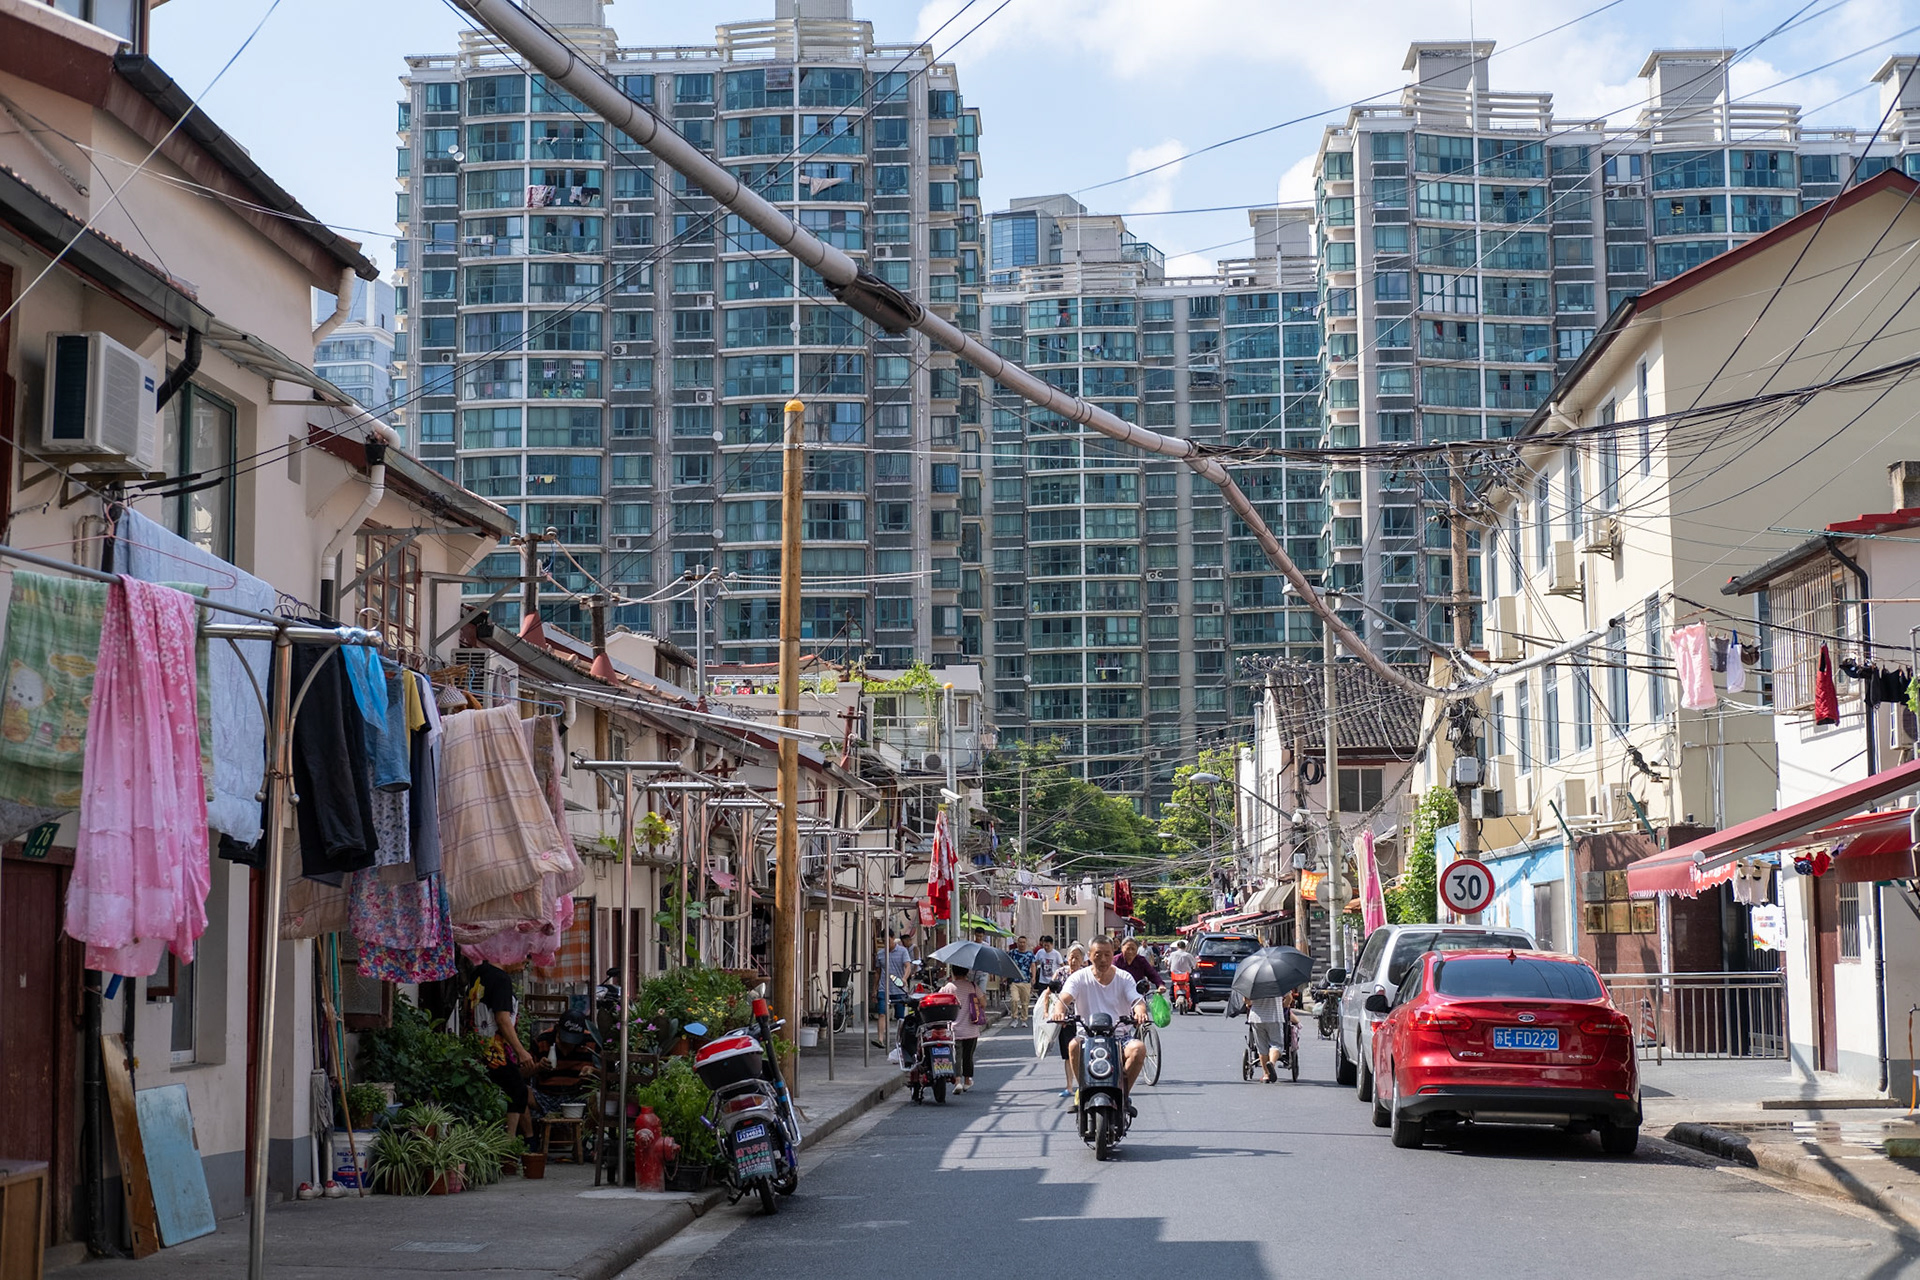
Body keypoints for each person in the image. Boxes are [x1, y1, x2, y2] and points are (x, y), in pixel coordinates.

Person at [1054, 936, 1150, 1105]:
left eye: (1107, 954)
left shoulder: (1124, 977)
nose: (1103, 959)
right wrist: (1059, 1012)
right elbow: (1064, 998)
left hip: (1119, 1037)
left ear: (1113, 954)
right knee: (1073, 1045)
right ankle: (1082, 1089)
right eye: (1098, 954)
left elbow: (1137, 1001)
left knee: (1138, 1049)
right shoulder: (1078, 977)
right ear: (1089, 956)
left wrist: (1140, 1012)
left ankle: (1122, 1093)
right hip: (1087, 1036)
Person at [470, 960, 535, 1143]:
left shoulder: (479, 973)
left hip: (477, 1045)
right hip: (495, 1049)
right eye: (525, 955)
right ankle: (508, 1143)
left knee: (498, 1092)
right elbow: (502, 1019)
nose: (525, 963)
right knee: (517, 1090)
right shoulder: (501, 979)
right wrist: (521, 1051)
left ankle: (503, 1141)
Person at [530, 1011, 600, 1099]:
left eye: (573, 1041)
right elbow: (522, 1071)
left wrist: (593, 1071)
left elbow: (608, 1075)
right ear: (558, 1028)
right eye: (565, 1040)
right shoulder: (543, 1040)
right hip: (546, 1095)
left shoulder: (592, 1041)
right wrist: (538, 1067)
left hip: (579, 1096)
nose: (569, 1045)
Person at [942, 964, 987, 1092]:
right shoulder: (973, 986)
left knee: (956, 1056)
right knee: (968, 1056)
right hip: (971, 1029)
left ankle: (957, 1081)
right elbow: (983, 1003)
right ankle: (967, 1080)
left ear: (953, 972)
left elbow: (939, 999)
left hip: (954, 1029)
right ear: (967, 973)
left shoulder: (949, 987)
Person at [1243, 987, 1301, 1083]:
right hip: (1274, 1017)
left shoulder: (1253, 984)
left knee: (1261, 1047)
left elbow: (1247, 1001)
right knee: (1276, 1044)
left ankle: (1266, 1075)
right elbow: (1289, 998)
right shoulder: (1278, 983)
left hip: (1257, 1018)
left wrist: (1251, 1003)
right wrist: (1281, 1006)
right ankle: (1272, 1062)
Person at [1053, 943, 1087, 1097]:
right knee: (1068, 1054)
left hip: (1083, 1019)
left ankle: (1085, 1084)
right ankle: (1069, 1086)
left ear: (1083, 960)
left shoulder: (1086, 974)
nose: (1073, 961)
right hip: (1065, 1019)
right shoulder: (1060, 973)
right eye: (1071, 957)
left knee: (1085, 1052)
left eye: (1077, 958)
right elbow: (1051, 991)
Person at [1006, 935, 1035, 1025]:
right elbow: (1007, 963)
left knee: (1025, 1002)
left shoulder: (1030, 954)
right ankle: (1014, 1017)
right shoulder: (1012, 953)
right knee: (1014, 999)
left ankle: (1024, 1019)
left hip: (1026, 981)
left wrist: (1034, 977)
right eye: (1020, 942)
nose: (1022, 944)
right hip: (1014, 981)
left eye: (1023, 942)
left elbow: (1033, 965)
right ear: (1017, 943)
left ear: (1026, 944)